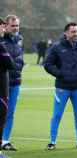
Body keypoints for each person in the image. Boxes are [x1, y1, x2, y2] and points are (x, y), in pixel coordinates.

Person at [44, 22, 77, 150]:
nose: (76, 34)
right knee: (57, 115)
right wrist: (59, 73)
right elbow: (47, 64)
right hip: (62, 87)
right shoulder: (57, 47)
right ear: (66, 33)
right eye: (73, 32)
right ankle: (52, 142)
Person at [1, 15, 24, 151]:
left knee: (10, 112)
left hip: (16, 81)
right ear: (6, 26)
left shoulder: (20, 39)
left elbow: (20, 58)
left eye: (17, 25)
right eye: (13, 26)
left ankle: (5, 141)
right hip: (3, 81)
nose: (16, 28)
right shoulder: (1, 40)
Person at [0, 17, 15, 158]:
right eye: (2, 27)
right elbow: (10, 64)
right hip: (1, 89)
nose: (3, 29)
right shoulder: (1, 45)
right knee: (1, 118)